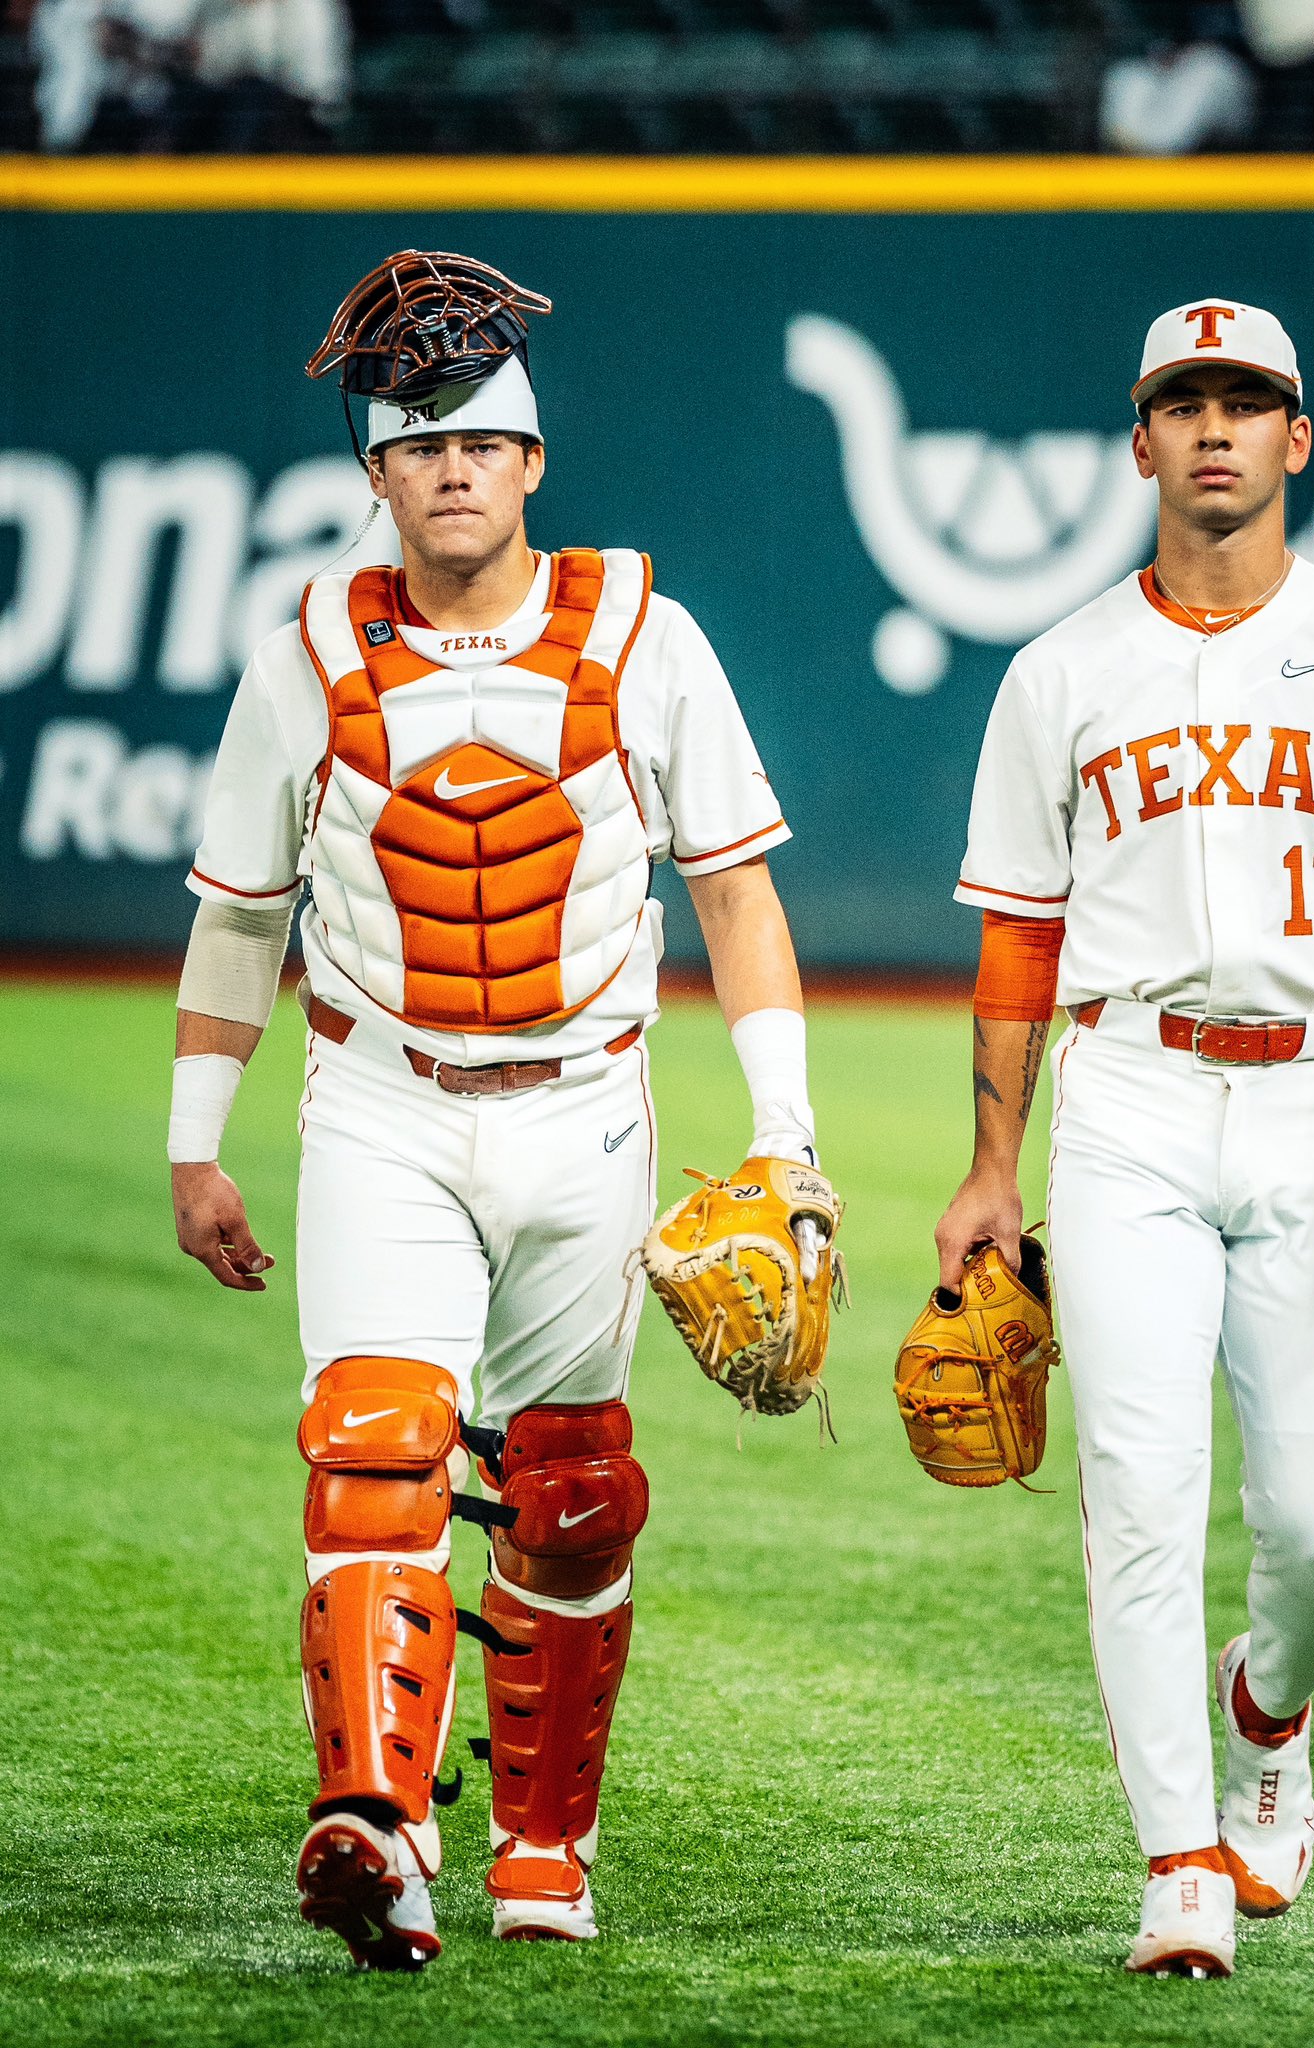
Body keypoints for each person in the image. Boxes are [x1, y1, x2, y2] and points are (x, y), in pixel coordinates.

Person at [167, 250, 820, 1970]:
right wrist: (192, 1139)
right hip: (382, 1104)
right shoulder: (307, 649)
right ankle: (376, 1826)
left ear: (533, 463)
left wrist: (787, 1137)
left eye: (481, 443)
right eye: (416, 446)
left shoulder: (643, 639)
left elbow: (739, 896)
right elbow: (239, 913)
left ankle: (540, 1837)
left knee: (573, 1492)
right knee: (374, 1451)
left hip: (586, 1115)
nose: (451, 471)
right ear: (375, 475)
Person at [934, 298, 1314, 1978]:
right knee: (1138, 1485)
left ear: (1295, 440)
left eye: (1245, 401)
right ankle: (1176, 1854)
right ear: (1139, 441)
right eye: (1182, 401)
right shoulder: (1059, 671)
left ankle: (1269, 1708)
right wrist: (989, 1165)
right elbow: (1018, 938)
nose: (1213, 428)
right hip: (1123, 1104)